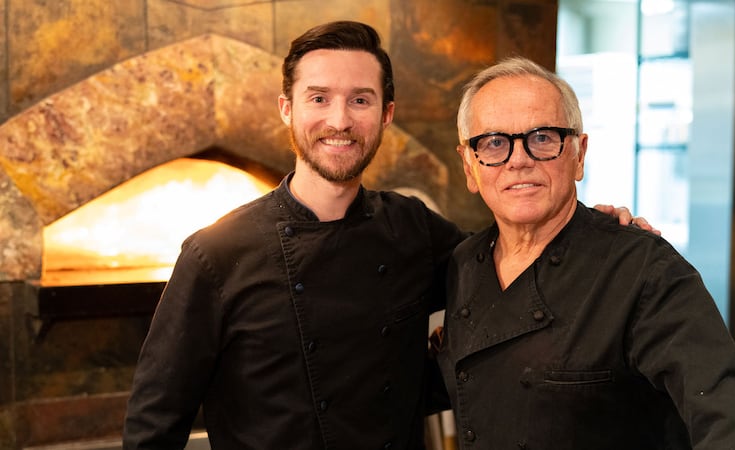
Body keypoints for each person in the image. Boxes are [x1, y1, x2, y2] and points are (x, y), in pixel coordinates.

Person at [122, 21, 646, 450]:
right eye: (319, 98)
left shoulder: (413, 228)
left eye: (360, 100)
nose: (339, 120)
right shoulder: (216, 253)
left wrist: (589, 231)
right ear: (288, 108)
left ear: (386, 114)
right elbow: (154, 425)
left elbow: (514, 262)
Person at [434, 56, 735, 449]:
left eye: (543, 138)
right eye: (494, 143)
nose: (519, 160)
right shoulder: (463, 263)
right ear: (468, 166)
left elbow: (727, 410)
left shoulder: (644, 269)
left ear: (579, 154)